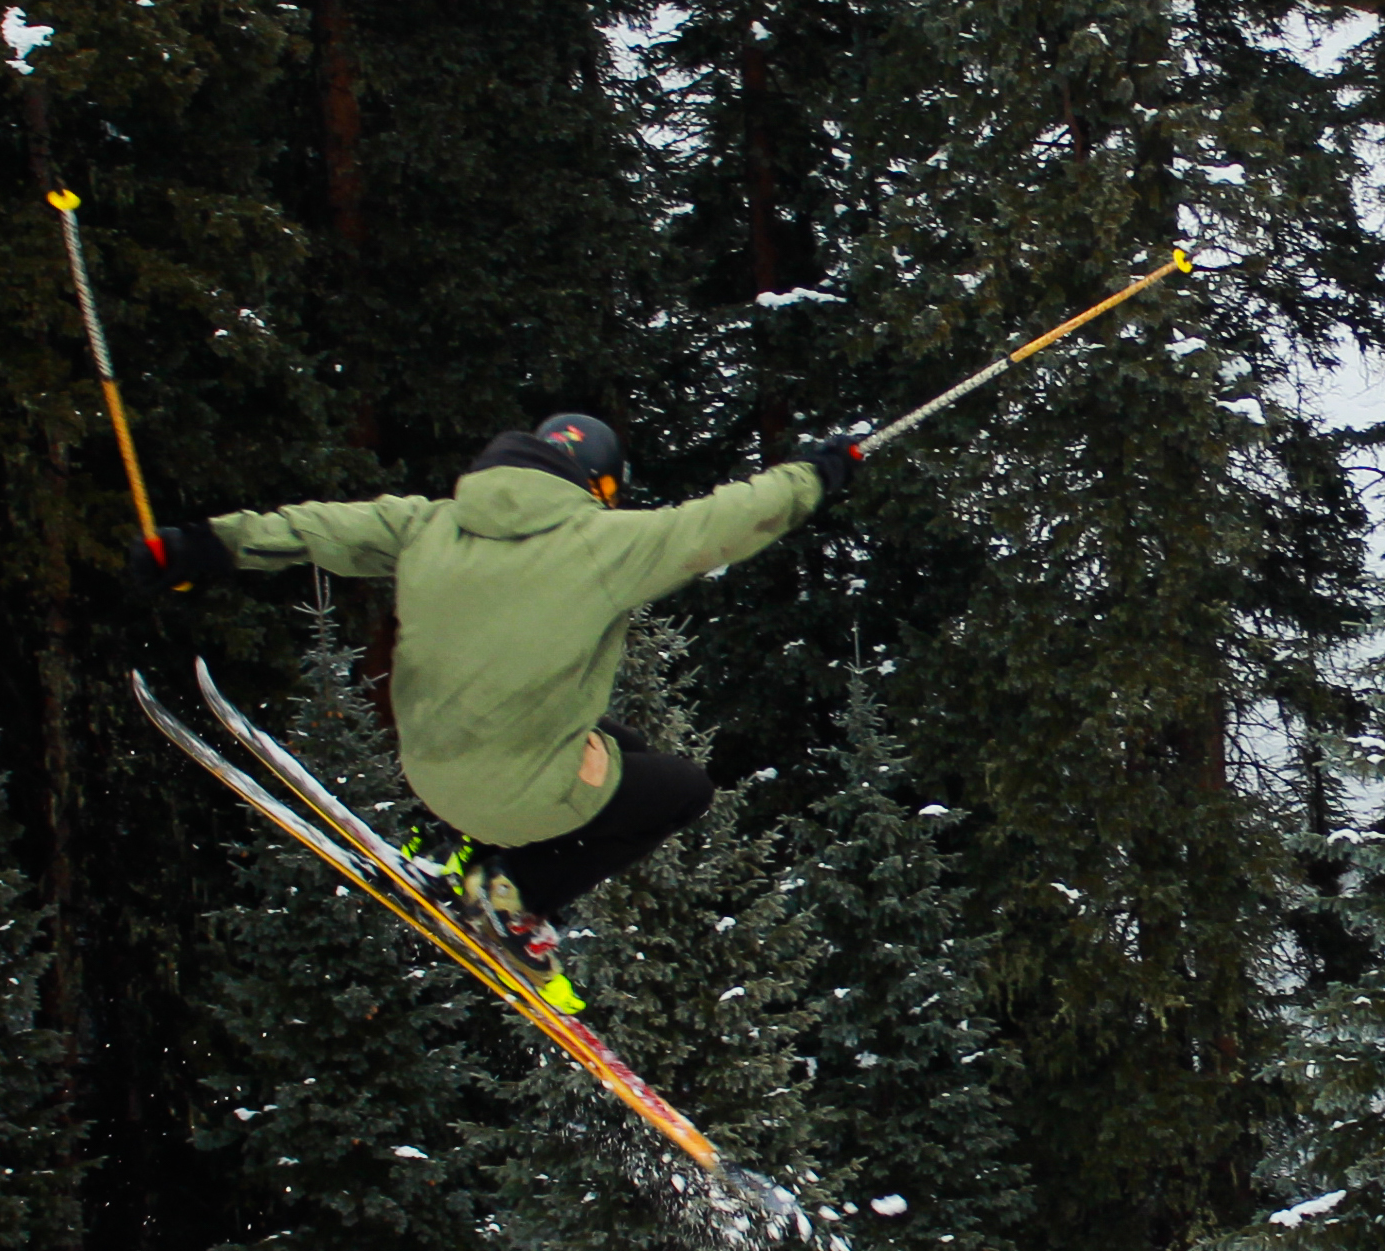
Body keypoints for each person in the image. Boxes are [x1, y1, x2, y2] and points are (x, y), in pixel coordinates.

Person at [142, 412, 853, 1009]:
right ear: (597, 486)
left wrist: (201, 547)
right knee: (684, 792)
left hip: (429, 772)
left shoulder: (428, 522)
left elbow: (315, 528)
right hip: (514, 789)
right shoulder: (602, 541)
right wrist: (815, 474)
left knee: (626, 747)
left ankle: (468, 851)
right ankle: (516, 897)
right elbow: (722, 523)